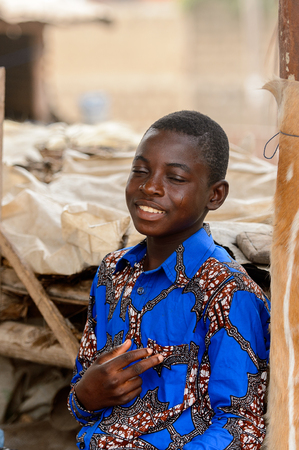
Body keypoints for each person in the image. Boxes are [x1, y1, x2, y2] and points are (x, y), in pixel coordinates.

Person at [68, 110, 270, 450]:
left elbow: (241, 429)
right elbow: (84, 398)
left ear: (215, 195)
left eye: (175, 178)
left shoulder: (228, 292)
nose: (150, 187)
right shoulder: (112, 273)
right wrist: (85, 396)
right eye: (140, 171)